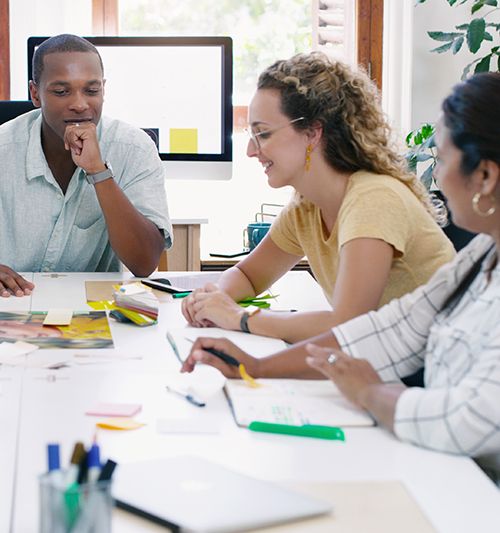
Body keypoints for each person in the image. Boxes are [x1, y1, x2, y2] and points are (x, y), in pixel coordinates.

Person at [182, 72, 500, 479]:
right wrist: (254, 368)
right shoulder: (481, 254)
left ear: (486, 177)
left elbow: (466, 420)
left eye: (440, 158)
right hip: (443, 455)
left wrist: (371, 393)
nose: (435, 177)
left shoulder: (373, 198)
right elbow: (389, 331)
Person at [182, 53, 455, 343]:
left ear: (312, 132)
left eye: (263, 134)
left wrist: (239, 318)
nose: (251, 150)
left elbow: (347, 327)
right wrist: (212, 298)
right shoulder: (305, 210)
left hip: (438, 373)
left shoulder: (373, 199)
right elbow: (249, 276)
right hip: (389, 367)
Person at [0, 34, 173, 297]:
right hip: (3, 304)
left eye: (91, 91)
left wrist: (98, 172)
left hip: (90, 312)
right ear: (35, 94)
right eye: (61, 91)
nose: (80, 104)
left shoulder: (135, 149)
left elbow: (145, 262)